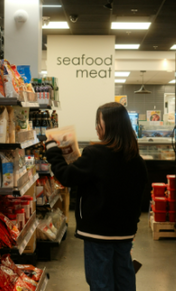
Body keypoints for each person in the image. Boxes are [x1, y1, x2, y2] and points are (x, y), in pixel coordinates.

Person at [45, 102, 148, 291]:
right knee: (124, 277)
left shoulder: (95, 154)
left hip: (98, 233)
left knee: (101, 281)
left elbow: (67, 176)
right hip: (125, 232)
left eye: (98, 122)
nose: (96, 127)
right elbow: (140, 196)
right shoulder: (136, 159)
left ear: (109, 126)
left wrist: (53, 150)